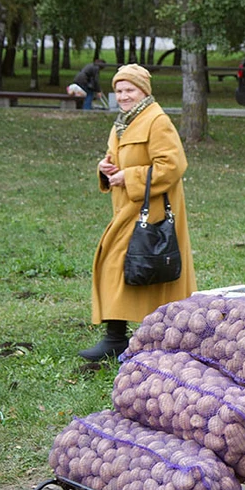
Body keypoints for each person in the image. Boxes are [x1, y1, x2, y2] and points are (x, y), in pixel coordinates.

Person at [80, 64, 197, 361]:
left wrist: (129, 177)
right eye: (118, 90)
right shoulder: (123, 122)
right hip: (127, 206)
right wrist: (105, 169)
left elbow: (172, 166)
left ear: (144, 90)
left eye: (129, 89)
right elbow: (116, 158)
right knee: (124, 267)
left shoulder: (157, 120)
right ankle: (119, 337)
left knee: (135, 267)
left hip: (153, 210)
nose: (123, 96)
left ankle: (129, 337)